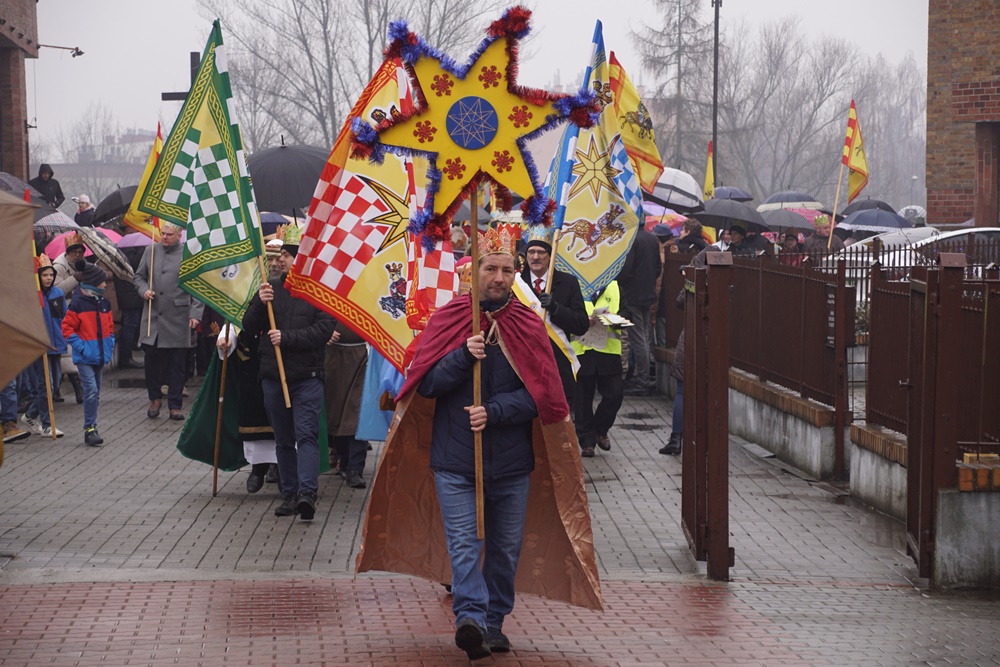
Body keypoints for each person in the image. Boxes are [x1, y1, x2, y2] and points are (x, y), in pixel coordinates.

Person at [242, 224, 335, 520]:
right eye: (280, 255)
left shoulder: (319, 291)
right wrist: (260, 303)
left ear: (301, 259)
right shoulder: (270, 289)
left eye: (287, 255)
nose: (280, 260)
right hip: (274, 375)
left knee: (306, 435)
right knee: (283, 439)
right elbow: (249, 326)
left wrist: (287, 338)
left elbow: (323, 330)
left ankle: (307, 494)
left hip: (307, 377)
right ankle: (290, 493)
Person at [134, 222, 204, 421]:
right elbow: (138, 277)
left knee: (177, 363)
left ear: (179, 236)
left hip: (178, 315)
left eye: (169, 234)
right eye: (163, 233)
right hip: (153, 316)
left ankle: (175, 405)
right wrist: (144, 290)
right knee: (151, 361)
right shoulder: (151, 251)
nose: (164, 237)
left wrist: (195, 314)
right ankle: (154, 398)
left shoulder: (188, 254)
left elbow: (197, 286)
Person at [521, 225, 589, 407]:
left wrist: (556, 309)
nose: (535, 257)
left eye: (541, 252)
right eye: (531, 252)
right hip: (524, 362)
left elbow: (581, 324)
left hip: (557, 364)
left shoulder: (568, 283)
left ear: (550, 256)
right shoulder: (516, 284)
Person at [62, 261, 114, 446]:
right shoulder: (78, 304)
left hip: (99, 355)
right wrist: (81, 347)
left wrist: (110, 343)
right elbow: (67, 328)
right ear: (93, 283)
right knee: (91, 390)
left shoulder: (104, 303)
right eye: (102, 281)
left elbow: (110, 327)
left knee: (95, 392)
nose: (105, 284)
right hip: (85, 357)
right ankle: (90, 428)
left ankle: (92, 427)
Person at [572, 280, 624, 458]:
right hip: (582, 350)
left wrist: (613, 319)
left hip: (608, 351)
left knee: (615, 394)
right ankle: (587, 442)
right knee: (582, 400)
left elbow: (627, 313)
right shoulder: (575, 285)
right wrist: (581, 320)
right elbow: (567, 315)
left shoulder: (615, 286)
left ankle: (600, 429)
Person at [20, 254, 67, 438]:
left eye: (51, 275)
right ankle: (47, 424)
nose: (48, 278)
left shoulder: (58, 294)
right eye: (45, 275)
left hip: (57, 344)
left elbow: (63, 316)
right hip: (40, 346)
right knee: (45, 385)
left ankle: (30, 415)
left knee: (54, 383)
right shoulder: (33, 296)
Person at [324, 322, 370, 489]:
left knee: (357, 413)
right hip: (332, 358)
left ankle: (355, 468)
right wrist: (324, 333)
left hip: (361, 356)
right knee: (337, 414)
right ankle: (344, 460)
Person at [619, 224, 661, 396]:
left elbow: (626, 269)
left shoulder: (632, 239)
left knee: (638, 338)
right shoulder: (652, 239)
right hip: (647, 293)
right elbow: (658, 268)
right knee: (644, 335)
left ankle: (642, 379)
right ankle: (643, 376)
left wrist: (619, 281)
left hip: (633, 294)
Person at [51, 232, 87, 404]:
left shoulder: (82, 264)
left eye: (80, 252)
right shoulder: (58, 267)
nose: (77, 255)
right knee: (67, 351)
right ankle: (76, 388)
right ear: (67, 252)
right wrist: (74, 279)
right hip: (62, 311)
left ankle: (64, 388)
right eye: (74, 252)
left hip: (78, 310)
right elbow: (56, 290)